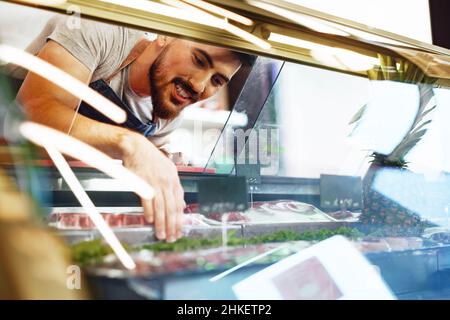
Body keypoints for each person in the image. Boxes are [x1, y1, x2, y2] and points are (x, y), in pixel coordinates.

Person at [10, 16, 254, 242]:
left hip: (47, 199)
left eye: (217, 81)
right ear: (166, 34)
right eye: (199, 60)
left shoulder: (167, 112)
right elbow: (31, 116)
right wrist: (130, 144)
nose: (199, 86)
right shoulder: (99, 27)